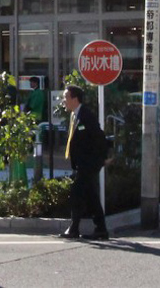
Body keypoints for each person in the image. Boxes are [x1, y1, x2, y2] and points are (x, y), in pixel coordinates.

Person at [60, 84, 107, 240]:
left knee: (77, 192)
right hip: (83, 163)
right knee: (90, 195)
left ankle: (74, 228)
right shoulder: (75, 115)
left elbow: (98, 137)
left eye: (66, 97)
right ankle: (101, 229)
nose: (64, 101)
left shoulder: (86, 115)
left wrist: (101, 158)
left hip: (90, 162)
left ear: (75, 99)